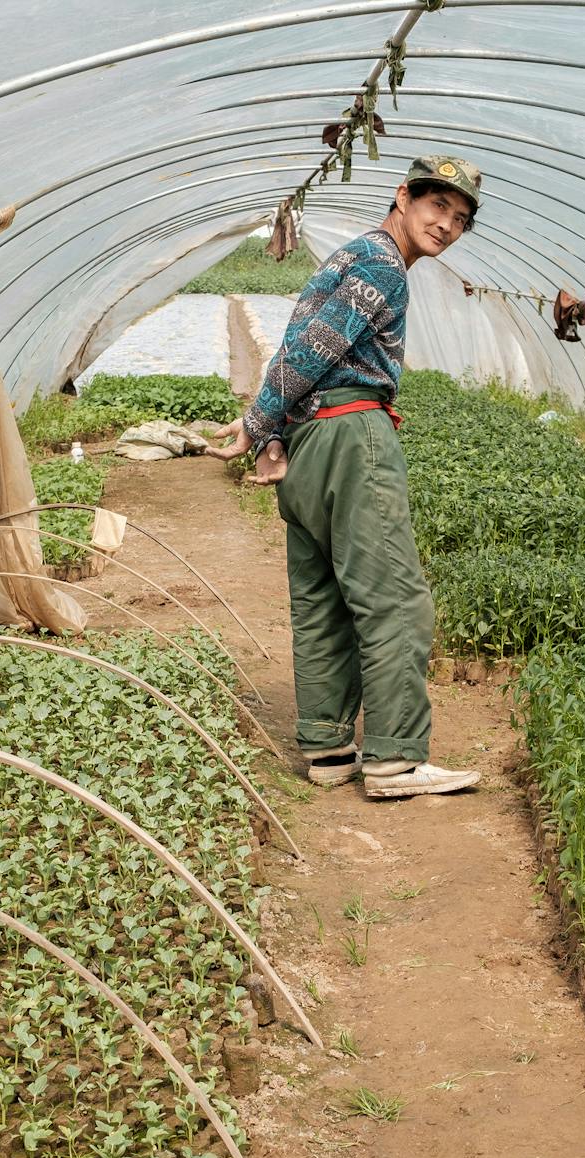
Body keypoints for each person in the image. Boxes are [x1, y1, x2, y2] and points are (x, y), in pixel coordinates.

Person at [208, 156, 484, 800]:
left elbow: (299, 342)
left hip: (311, 441)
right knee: (394, 597)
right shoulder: (383, 265)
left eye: (461, 219)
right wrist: (256, 423)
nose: (447, 225)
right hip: (351, 439)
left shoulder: (351, 257)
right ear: (404, 196)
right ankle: (394, 759)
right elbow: (315, 349)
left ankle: (330, 747)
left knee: (323, 601)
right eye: (438, 207)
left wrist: (274, 433)